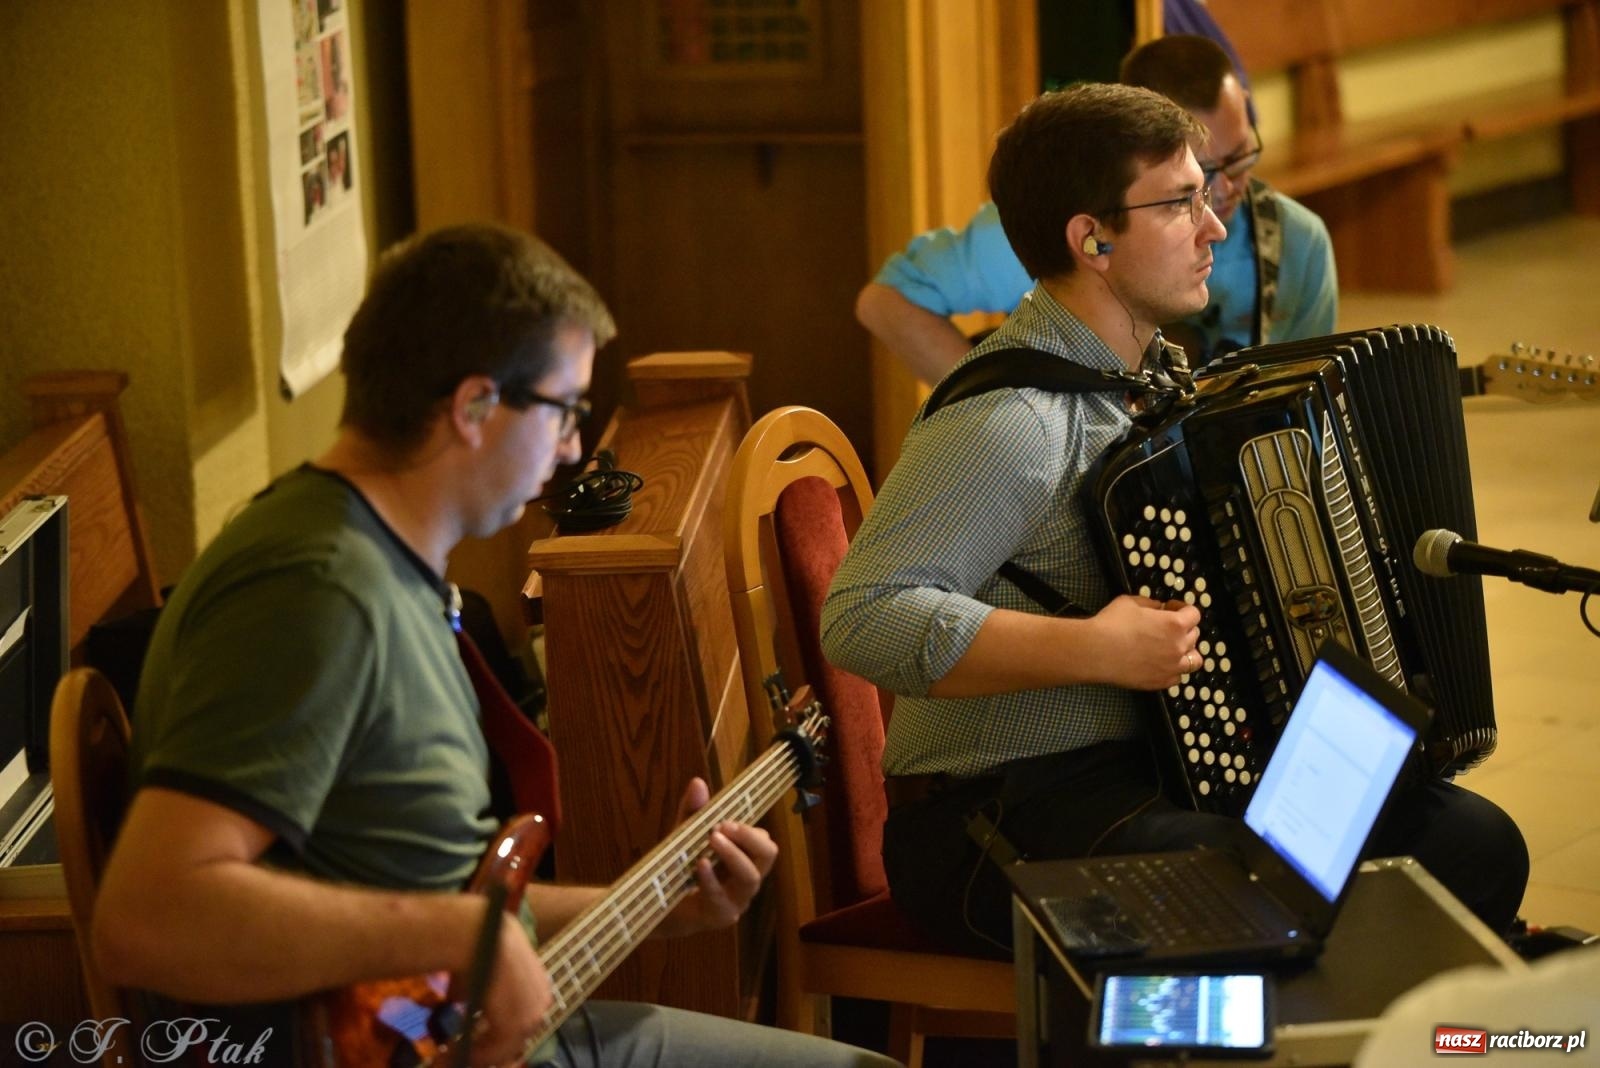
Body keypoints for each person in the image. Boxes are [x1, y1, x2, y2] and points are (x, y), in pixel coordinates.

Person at [92, 224, 900, 1068]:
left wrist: (664, 906)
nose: (574, 450)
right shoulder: (317, 592)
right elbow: (148, 917)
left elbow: (444, 898)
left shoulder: (382, 565)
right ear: (475, 405)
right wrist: (457, 929)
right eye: (563, 411)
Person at [821, 83, 1527, 960]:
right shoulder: (1013, 420)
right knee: (1253, 898)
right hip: (997, 816)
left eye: (1206, 193)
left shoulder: (1149, 382)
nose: (1214, 226)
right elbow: (863, 617)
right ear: (1094, 240)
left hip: (1152, 773)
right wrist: (1099, 650)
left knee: (1470, 845)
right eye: (1180, 202)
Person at [856, 34, 1337, 385]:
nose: (1229, 190)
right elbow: (886, 302)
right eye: (1199, 177)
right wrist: (986, 395)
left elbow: (1304, 408)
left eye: (1243, 157)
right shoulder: (1058, 228)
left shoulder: (1298, 241)